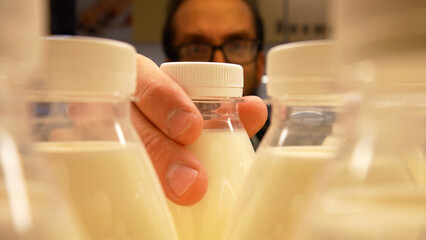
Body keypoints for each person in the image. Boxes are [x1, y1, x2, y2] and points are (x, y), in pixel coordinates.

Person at [132, 55, 267, 206]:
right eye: (196, 48)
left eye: (236, 46)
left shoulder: (272, 151)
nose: (217, 61)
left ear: (260, 64)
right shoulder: (134, 146)